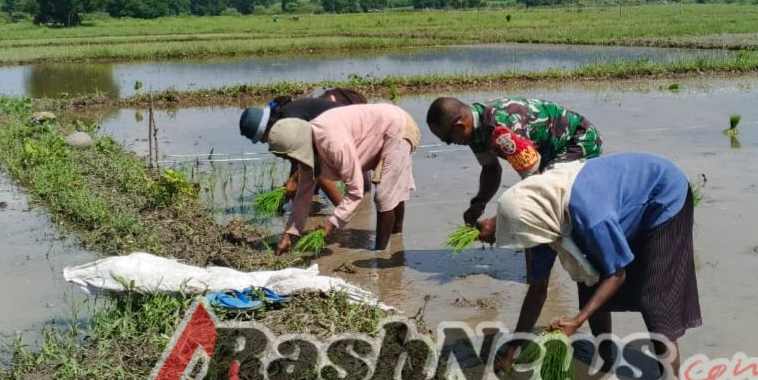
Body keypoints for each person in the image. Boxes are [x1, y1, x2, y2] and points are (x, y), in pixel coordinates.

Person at [474, 152, 700, 380]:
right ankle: (606, 358)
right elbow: (536, 291)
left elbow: (617, 274)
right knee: (590, 281)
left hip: (663, 194)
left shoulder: (591, 217)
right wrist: (512, 352)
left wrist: (577, 320)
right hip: (614, 203)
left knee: (654, 298)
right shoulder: (539, 220)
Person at [425, 96, 603, 225]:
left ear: (460, 126)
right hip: (547, 152)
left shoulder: (500, 129)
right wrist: (479, 203)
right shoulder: (474, 132)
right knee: (548, 212)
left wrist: (497, 225)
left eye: (447, 139)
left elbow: (536, 184)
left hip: (577, 140)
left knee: (555, 199)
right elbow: (491, 169)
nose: (450, 143)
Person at [268, 103, 419, 253]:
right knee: (391, 191)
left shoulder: (333, 142)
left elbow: (356, 190)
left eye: (288, 157)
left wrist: (332, 223)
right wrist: (289, 234)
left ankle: (380, 254)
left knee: (384, 196)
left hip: (397, 128)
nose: (290, 161)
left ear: (296, 148)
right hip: (386, 127)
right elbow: (302, 197)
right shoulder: (308, 146)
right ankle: (395, 238)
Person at [239, 96, 348, 208]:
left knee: (318, 171)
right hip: (334, 134)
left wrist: (294, 181)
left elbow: (313, 162)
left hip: (346, 128)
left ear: (266, 129)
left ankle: (344, 212)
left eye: (262, 139)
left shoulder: (288, 122)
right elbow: (297, 162)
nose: (264, 142)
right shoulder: (283, 117)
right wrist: (287, 191)